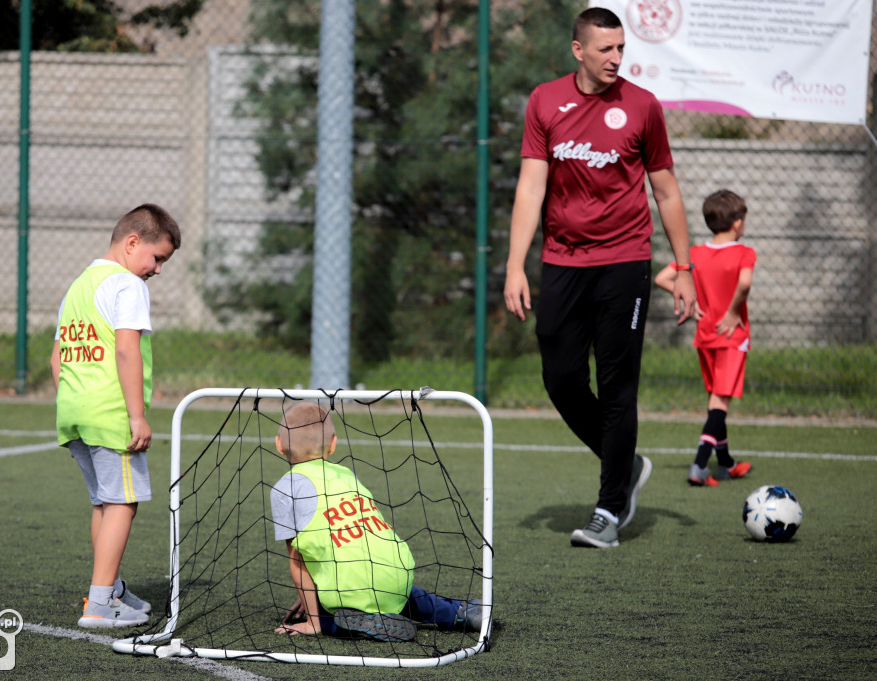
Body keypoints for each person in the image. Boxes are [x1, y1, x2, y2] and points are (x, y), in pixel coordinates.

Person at [503, 7, 696, 549]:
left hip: (624, 263)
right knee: (561, 378)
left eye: (621, 49)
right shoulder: (545, 101)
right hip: (562, 262)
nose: (616, 58)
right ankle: (626, 464)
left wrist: (684, 268)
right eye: (605, 49)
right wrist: (516, 264)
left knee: (617, 387)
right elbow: (530, 188)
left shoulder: (642, 106)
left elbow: (667, 192)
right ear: (578, 50)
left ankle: (609, 510)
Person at [50, 203, 181, 628]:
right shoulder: (127, 285)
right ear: (132, 243)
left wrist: (77, 400)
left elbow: (57, 359)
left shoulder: (78, 285)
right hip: (111, 415)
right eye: (157, 257)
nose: (157, 269)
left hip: (74, 412)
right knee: (122, 502)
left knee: (106, 503)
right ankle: (100, 603)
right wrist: (137, 415)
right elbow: (126, 349)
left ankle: (112, 589)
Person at [269, 402, 483, 642]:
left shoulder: (285, 488)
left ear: (278, 445)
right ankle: (461, 612)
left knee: (327, 614)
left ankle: (361, 622)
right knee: (393, 592)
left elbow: (298, 561)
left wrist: (313, 619)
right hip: (397, 572)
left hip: (349, 586)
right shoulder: (345, 474)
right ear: (333, 444)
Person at [655, 189, 754, 487]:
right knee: (719, 404)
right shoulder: (744, 253)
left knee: (715, 400)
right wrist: (734, 310)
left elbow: (662, 278)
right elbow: (745, 282)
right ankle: (699, 465)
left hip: (705, 337)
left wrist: (690, 300)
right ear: (737, 223)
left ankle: (725, 463)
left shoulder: (695, 254)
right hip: (731, 337)